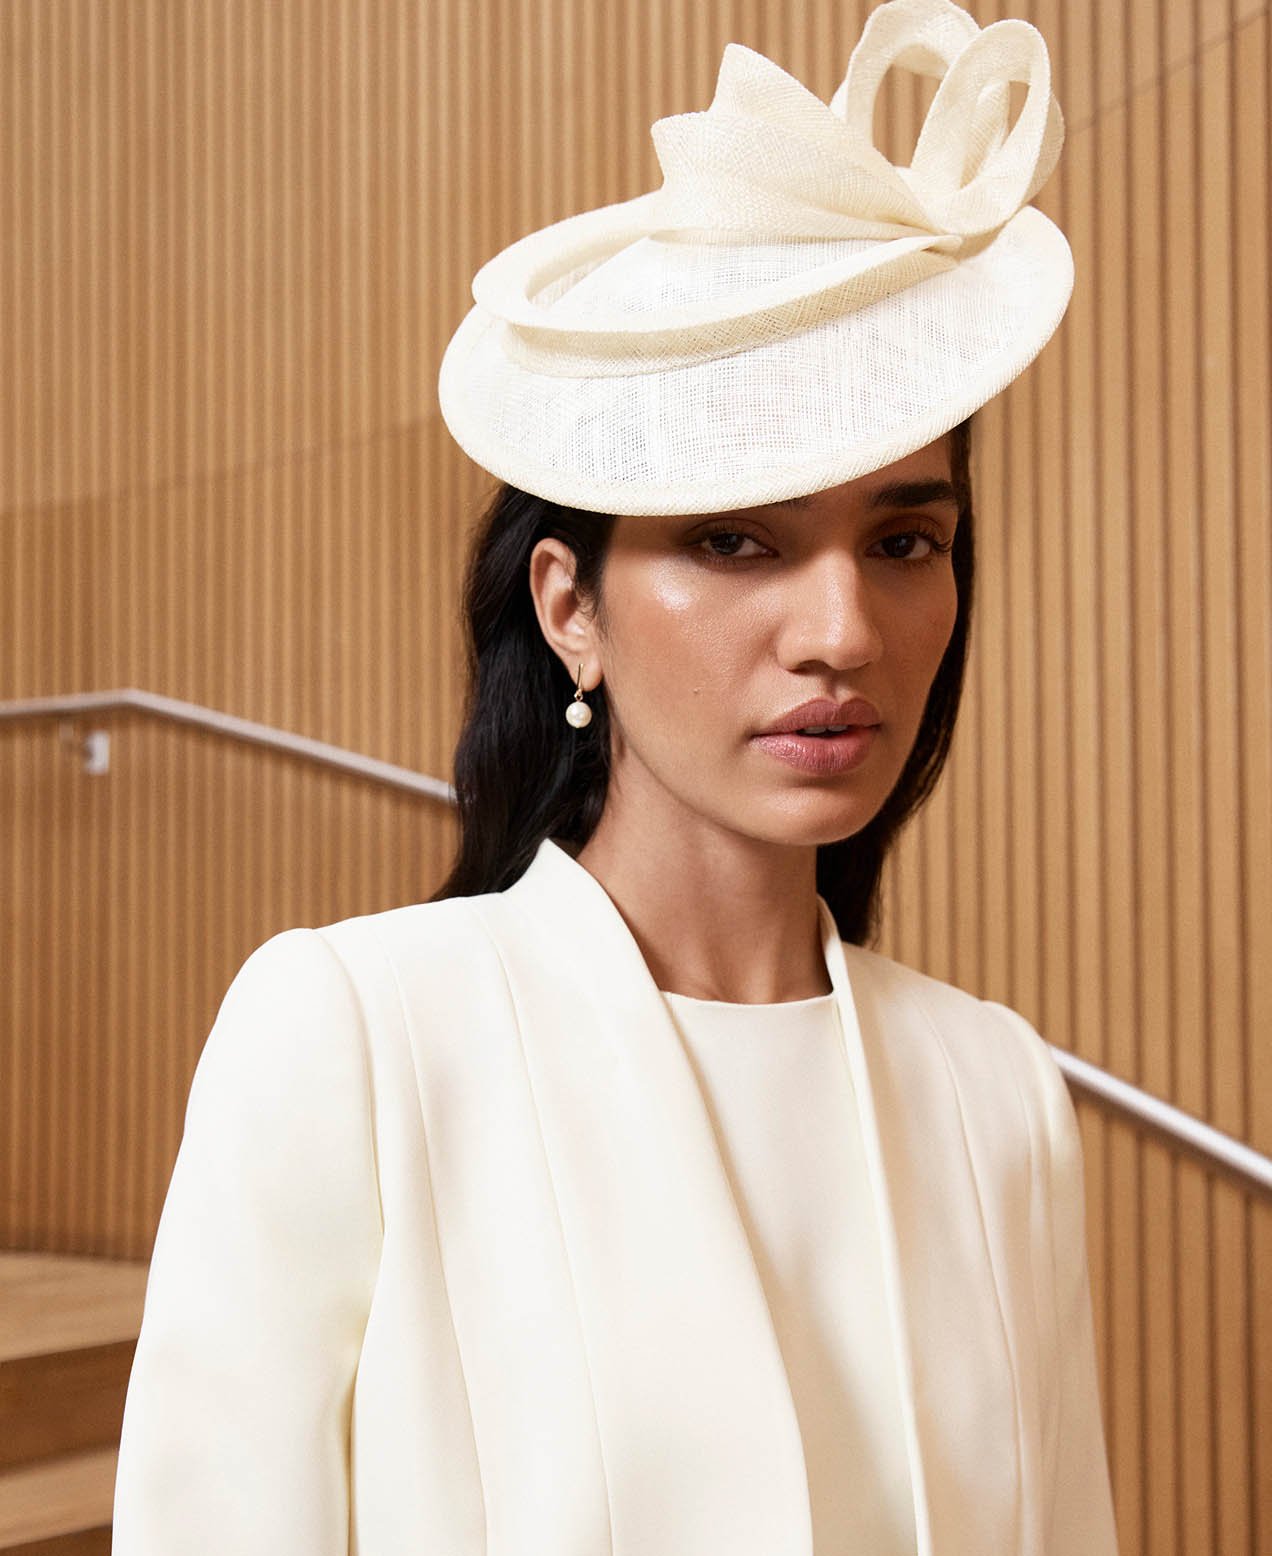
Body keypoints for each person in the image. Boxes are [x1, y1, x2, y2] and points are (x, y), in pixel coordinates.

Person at [112, 1, 1121, 1553]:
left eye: (905, 539)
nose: (843, 630)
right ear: (568, 605)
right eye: (736, 539)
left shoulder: (997, 1090)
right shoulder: (361, 1037)